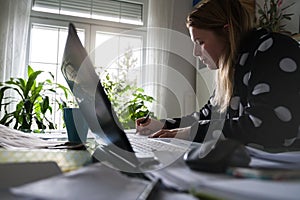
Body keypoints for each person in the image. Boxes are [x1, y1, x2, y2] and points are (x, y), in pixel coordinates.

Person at [136, 0, 300, 149]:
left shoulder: (274, 49)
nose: (196, 52)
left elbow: (267, 126)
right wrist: (163, 125)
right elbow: (205, 116)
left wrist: (187, 133)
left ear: (228, 33)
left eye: (200, 42)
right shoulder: (233, 66)